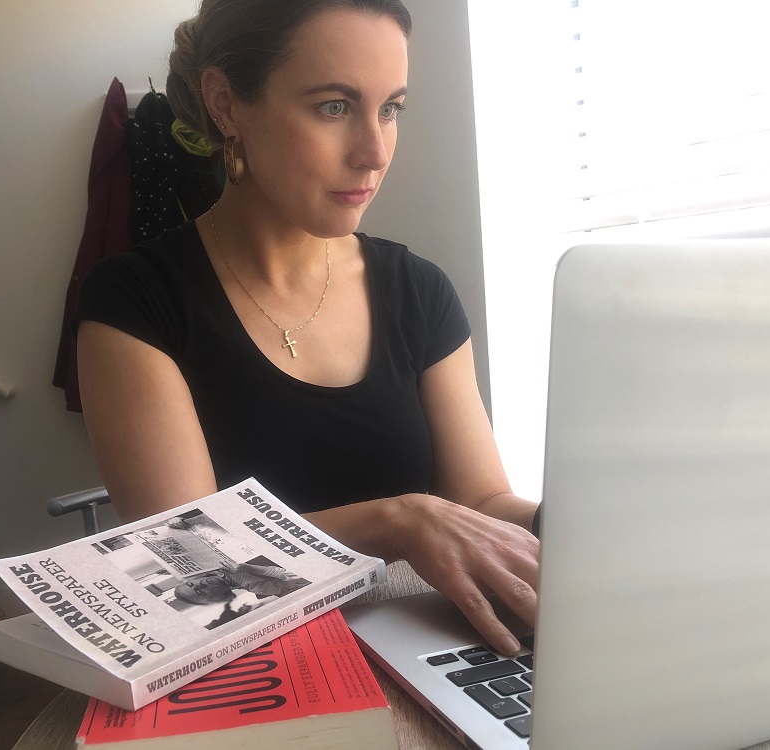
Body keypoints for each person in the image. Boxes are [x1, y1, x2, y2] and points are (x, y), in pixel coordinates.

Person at [75, 0, 540, 656]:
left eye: (391, 108)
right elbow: (189, 561)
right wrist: (396, 521)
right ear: (227, 105)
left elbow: (485, 502)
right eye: (334, 106)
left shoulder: (420, 292)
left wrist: (574, 519)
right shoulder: (136, 301)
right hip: (249, 667)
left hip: (427, 650)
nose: (374, 152)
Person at [174, 560, 311, 605]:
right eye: (200, 591)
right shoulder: (258, 588)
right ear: (218, 597)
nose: (199, 584)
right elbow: (300, 577)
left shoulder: (205, 564)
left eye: (191, 584)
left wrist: (176, 523)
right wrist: (250, 568)